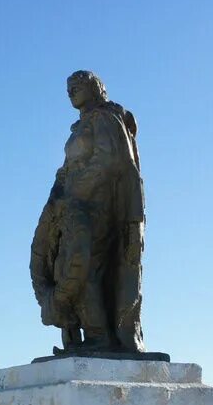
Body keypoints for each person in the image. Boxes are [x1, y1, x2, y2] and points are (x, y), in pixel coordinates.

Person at [30, 71, 145, 354]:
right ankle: (91, 333)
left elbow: (109, 161)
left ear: (94, 88)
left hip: (97, 205)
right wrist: (58, 193)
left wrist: (74, 191)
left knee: (86, 267)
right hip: (76, 206)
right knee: (68, 263)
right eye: (68, 88)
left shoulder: (103, 118)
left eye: (77, 86)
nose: (71, 91)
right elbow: (71, 166)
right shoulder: (82, 125)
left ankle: (100, 336)